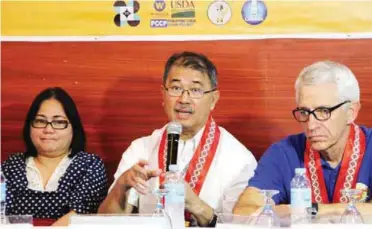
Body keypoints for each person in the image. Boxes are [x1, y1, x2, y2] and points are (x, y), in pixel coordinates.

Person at [98, 51, 257, 227]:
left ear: (213, 99)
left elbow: (241, 226)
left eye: (196, 90)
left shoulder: (239, 158)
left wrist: (195, 205)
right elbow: (106, 224)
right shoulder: (140, 149)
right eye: (176, 88)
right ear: (163, 94)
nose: (184, 99)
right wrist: (122, 187)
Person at [234, 60, 372, 221]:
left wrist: (309, 211)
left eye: (324, 111)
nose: (311, 125)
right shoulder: (283, 152)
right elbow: (241, 213)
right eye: (304, 112)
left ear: (351, 112)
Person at [2, 87, 108, 226]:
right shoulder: (12, 165)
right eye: (40, 121)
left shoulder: (90, 165)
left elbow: (81, 214)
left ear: (73, 128)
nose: (48, 129)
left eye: (59, 122)